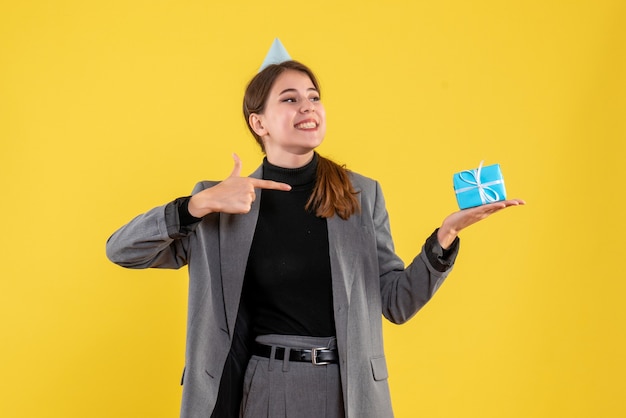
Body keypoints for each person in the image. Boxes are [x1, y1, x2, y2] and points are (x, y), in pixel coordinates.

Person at [106, 59, 524, 418]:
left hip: (350, 391)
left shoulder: (360, 195)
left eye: (314, 96)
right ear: (259, 122)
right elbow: (122, 250)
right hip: (267, 386)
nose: (307, 106)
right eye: (290, 99)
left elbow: (396, 303)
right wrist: (194, 206)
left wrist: (445, 237)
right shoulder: (223, 204)